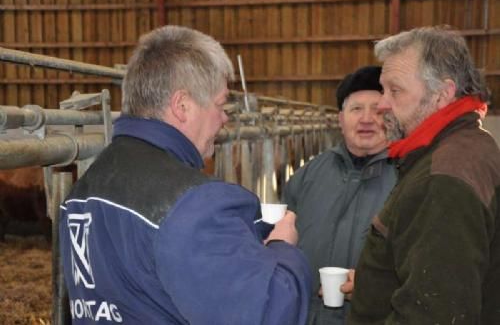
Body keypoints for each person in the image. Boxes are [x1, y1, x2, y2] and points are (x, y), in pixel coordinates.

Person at [58, 25, 312, 324]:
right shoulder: (195, 206)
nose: (225, 117)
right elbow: (270, 313)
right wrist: (283, 250)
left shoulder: (81, 191)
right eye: (220, 104)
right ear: (182, 106)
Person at [348, 26, 500, 324]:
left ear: (442, 95)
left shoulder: (443, 179)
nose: (382, 104)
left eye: (395, 90)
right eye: (384, 89)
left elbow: (433, 313)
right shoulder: (464, 146)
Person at [283, 66, 397, 325]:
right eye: (356, 109)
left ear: (392, 117)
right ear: (340, 119)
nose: (366, 119)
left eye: (377, 110)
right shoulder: (308, 175)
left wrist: (376, 286)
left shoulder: (408, 178)